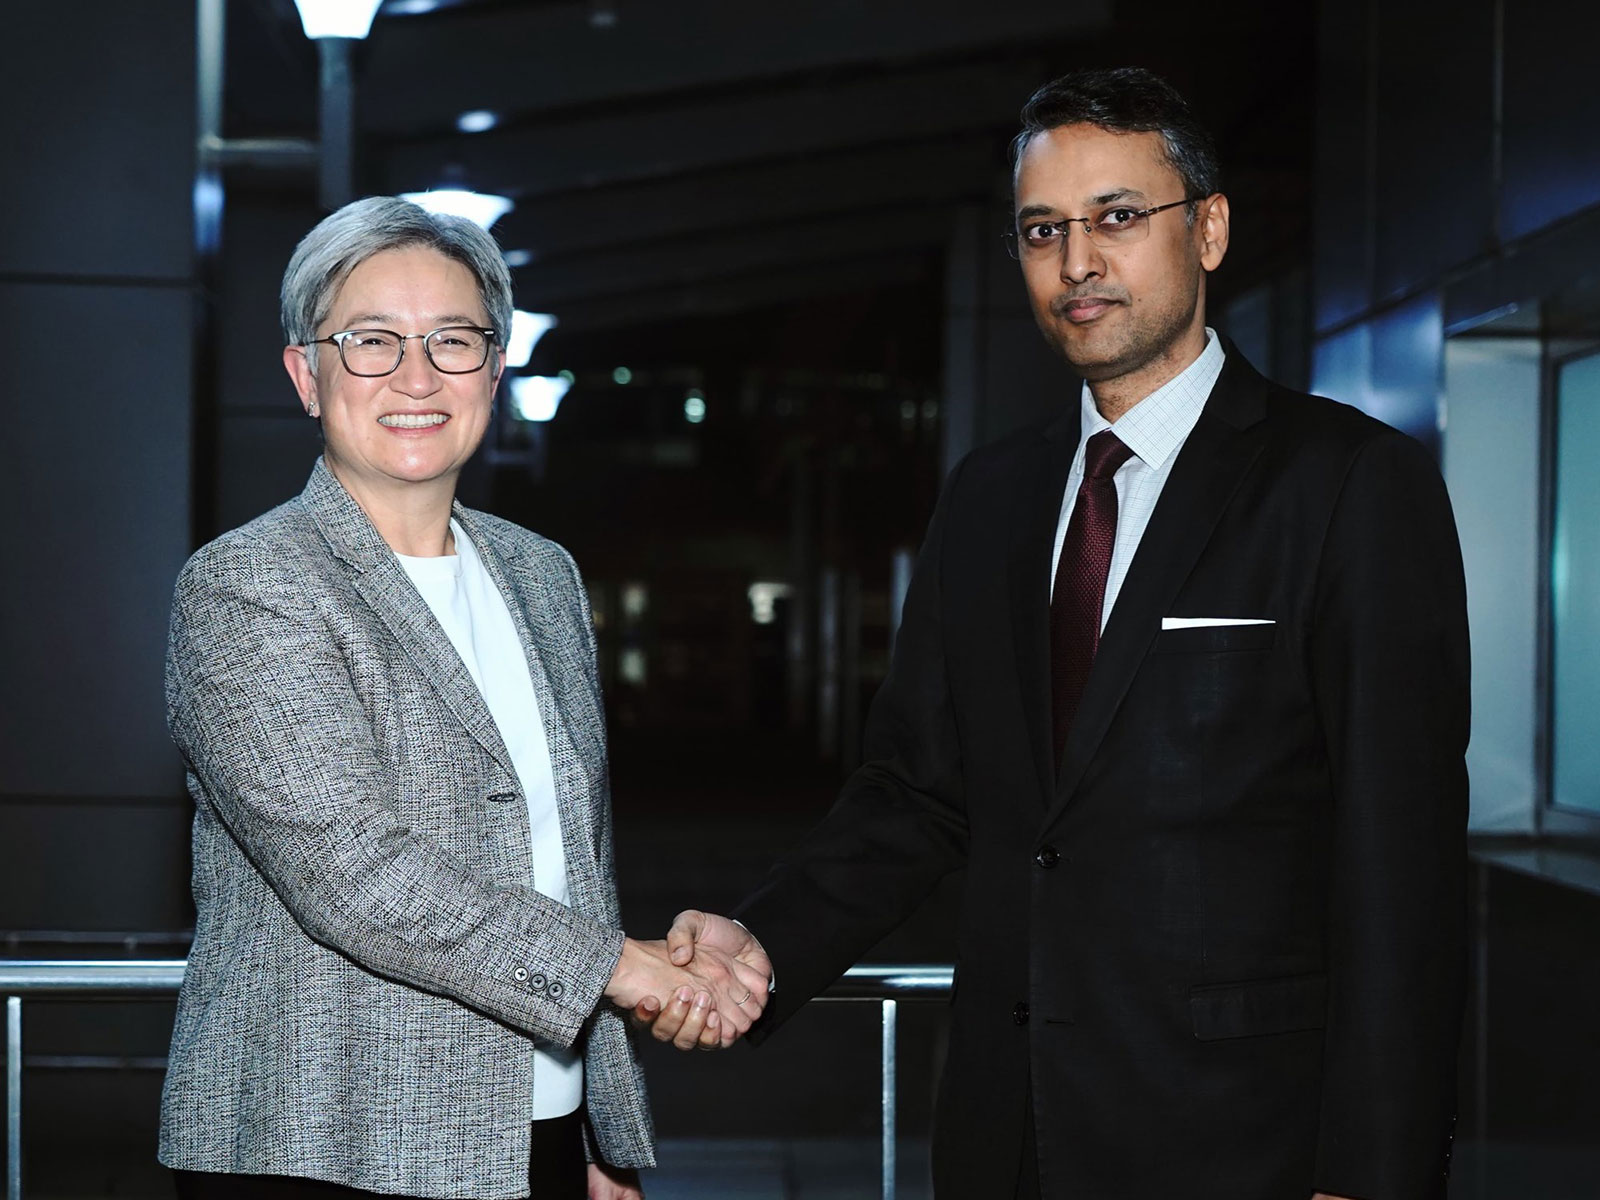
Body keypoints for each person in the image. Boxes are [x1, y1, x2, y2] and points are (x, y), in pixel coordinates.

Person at [642, 67, 1468, 1200]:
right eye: (1043, 230)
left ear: (1210, 229)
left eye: (1118, 218)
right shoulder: (990, 496)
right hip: (1006, 1128)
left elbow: (1402, 864)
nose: (1077, 262)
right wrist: (765, 942)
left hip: (1245, 1140)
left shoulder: (1348, 486)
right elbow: (918, 791)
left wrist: (1370, 1171)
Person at [157, 196, 768, 1200]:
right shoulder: (248, 585)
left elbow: (570, 868)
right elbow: (355, 875)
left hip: (527, 1138)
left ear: (494, 368)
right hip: (323, 1144)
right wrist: (628, 970)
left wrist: (591, 1131)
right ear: (305, 374)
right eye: (370, 343)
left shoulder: (541, 575)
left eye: (452, 340)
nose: (415, 376)